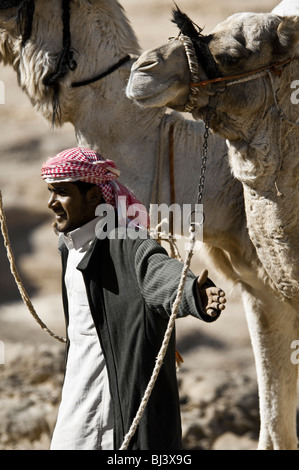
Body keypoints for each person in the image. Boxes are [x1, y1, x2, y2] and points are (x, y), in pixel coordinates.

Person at [41, 147, 226, 451]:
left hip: (113, 414)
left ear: (93, 197)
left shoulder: (125, 244)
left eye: (61, 192)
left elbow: (160, 272)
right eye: (51, 192)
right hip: (77, 398)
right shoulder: (71, 246)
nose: (51, 203)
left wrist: (195, 293)